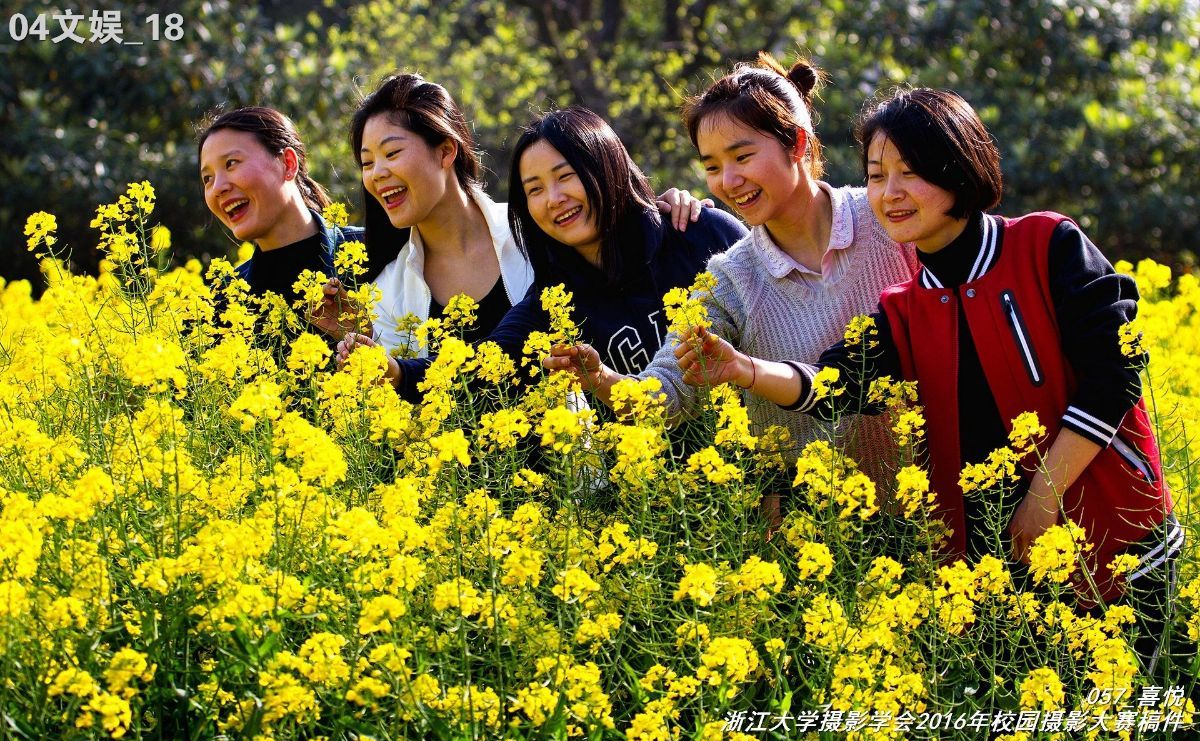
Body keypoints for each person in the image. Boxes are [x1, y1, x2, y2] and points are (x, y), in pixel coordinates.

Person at [683, 87, 1175, 666]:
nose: (889, 194)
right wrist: (744, 370)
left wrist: (1043, 497)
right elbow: (833, 387)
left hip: (1117, 538)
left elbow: (1116, 370)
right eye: (875, 176)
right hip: (997, 571)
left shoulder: (1046, 244)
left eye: (910, 173)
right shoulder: (905, 307)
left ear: (959, 168)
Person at [543, 54, 918, 494]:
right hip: (822, 528)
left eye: (742, 156)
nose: (728, 181)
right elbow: (665, 393)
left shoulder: (887, 217)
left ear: (797, 145)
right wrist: (603, 380)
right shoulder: (729, 279)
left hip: (941, 509)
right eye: (712, 166)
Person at [336, 105, 745, 402]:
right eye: (534, 190)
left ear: (607, 166)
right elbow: (483, 365)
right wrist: (395, 372)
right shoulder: (554, 298)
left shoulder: (699, 234)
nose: (554, 200)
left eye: (565, 177)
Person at [323, 73, 712, 352]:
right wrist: (369, 345)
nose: (377, 174)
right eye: (366, 162)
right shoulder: (386, 292)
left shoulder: (544, 230)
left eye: (391, 153)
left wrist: (656, 211)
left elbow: (614, 235)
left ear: (446, 150)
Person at [198, 107, 369, 311]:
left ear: (287, 164)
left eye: (231, 163)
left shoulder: (378, 252)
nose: (217, 187)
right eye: (208, 178)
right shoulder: (218, 306)